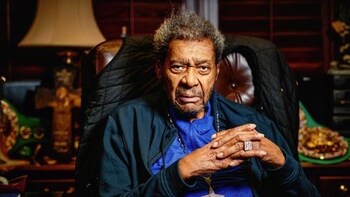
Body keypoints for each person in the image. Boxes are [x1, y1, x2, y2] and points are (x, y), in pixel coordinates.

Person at [99, 8, 320, 196]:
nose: (190, 80)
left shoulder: (253, 124)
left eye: (203, 68)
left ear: (216, 73)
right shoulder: (126, 123)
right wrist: (181, 171)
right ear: (160, 69)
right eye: (178, 67)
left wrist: (281, 162)